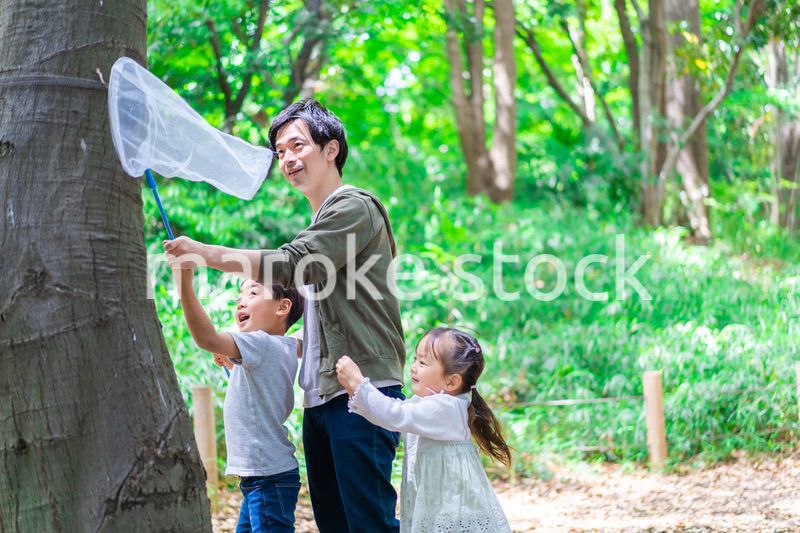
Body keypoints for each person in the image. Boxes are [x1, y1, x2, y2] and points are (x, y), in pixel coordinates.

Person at [162, 99, 406, 532]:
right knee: (336, 524)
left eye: (298, 146)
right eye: (281, 153)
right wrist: (246, 349)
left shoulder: (354, 207)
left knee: (367, 524)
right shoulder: (318, 222)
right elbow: (307, 319)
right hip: (322, 400)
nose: (289, 159)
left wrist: (206, 254)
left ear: (331, 149)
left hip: (362, 391)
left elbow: (294, 264)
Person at [168, 263, 304, 532]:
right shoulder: (285, 346)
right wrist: (232, 365)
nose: (241, 302)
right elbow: (261, 388)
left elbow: (206, 337)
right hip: (264, 477)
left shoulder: (261, 343)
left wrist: (185, 284)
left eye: (253, 293)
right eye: (239, 297)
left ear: (282, 307)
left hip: (267, 478)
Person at [336, 327, 513, 533]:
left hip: (453, 507)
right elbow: (394, 411)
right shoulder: (428, 403)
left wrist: (359, 384)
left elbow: (395, 414)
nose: (413, 367)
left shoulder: (445, 408)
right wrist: (357, 393)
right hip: (437, 504)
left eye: (423, 362)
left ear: (451, 381)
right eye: (415, 359)